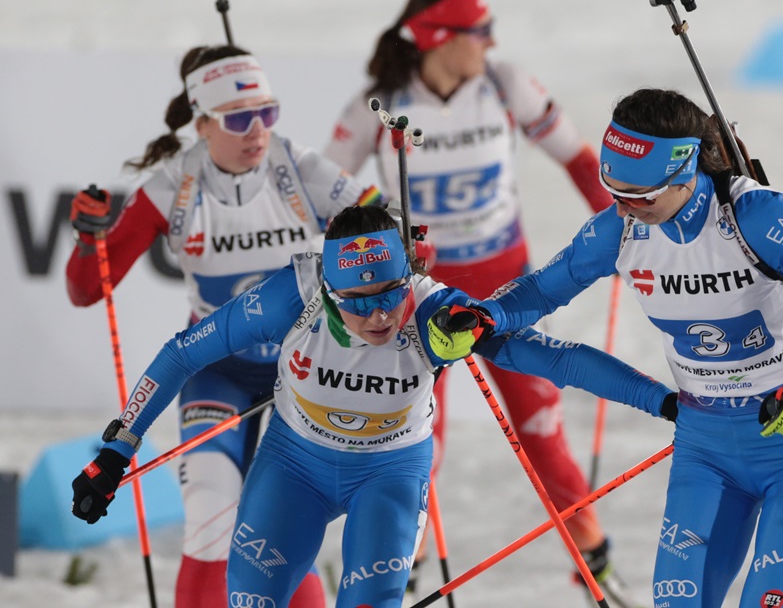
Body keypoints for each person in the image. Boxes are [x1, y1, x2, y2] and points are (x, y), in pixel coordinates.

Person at [70, 205, 676, 608]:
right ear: (330, 290)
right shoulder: (295, 295)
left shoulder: (438, 312)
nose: (380, 315)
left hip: (387, 476)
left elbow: (560, 359)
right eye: (357, 304)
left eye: (390, 294)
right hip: (294, 468)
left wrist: (665, 402)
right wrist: (117, 448)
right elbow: (182, 354)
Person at [453, 88, 783, 607]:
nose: (624, 206)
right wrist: (482, 316)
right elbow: (536, 293)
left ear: (686, 170)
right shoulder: (620, 230)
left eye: (640, 195)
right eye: (613, 189)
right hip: (706, 450)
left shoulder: (755, 217)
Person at [322, 0, 635, 604]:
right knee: (412, 438)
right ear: (439, 39)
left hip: (508, 291)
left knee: (542, 429)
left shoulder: (503, 83)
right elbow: (323, 193)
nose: (490, 42)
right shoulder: (376, 106)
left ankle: (594, 564)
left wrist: (626, 235)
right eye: (478, 32)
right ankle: (393, 568)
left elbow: (578, 158)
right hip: (417, 295)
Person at [65, 44, 384, 608]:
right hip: (218, 371)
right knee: (211, 516)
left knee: (278, 534)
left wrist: (410, 240)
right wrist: (89, 241)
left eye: (269, 111)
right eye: (239, 118)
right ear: (203, 122)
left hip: (299, 376)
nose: (258, 129)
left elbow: (386, 230)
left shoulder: (301, 167)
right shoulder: (171, 186)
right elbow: (89, 289)